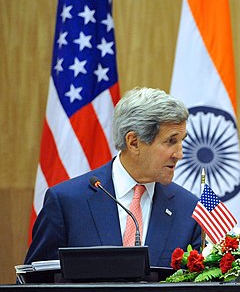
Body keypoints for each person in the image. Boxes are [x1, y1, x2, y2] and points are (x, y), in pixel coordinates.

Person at [25, 87, 203, 267]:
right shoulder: (67, 203)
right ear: (134, 142)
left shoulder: (189, 210)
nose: (179, 154)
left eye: (182, 140)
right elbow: (36, 285)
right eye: (171, 141)